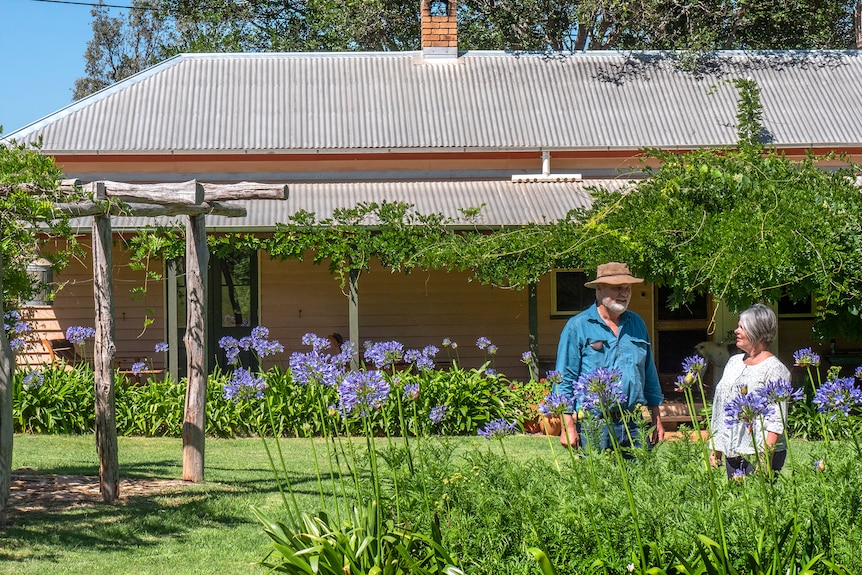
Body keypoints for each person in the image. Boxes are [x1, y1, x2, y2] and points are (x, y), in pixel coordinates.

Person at [553, 262, 664, 450]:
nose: (624, 293)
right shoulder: (578, 326)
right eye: (617, 288)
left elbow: (649, 372)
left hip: (634, 422)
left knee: (640, 478)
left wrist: (657, 416)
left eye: (628, 288)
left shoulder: (637, 323)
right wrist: (567, 425)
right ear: (599, 288)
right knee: (599, 479)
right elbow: (564, 378)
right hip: (594, 423)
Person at [709, 303, 790, 478]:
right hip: (733, 449)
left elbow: (777, 418)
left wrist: (765, 458)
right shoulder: (733, 362)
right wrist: (717, 446)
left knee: (759, 504)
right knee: (737, 503)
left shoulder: (775, 369)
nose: (736, 331)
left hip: (759, 452)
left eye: (742, 327)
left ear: (759, 333)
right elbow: (721, 406)